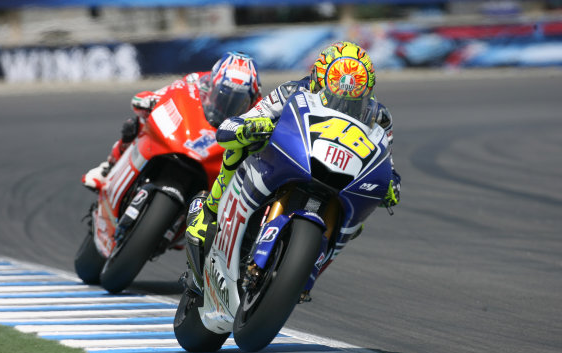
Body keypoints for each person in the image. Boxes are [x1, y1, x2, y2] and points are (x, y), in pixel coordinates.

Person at [185, 41, 401, 300]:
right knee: (240, 146)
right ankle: (210, 210)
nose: (343, 101)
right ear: (319, 79)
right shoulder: (293, 89)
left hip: (340, 171)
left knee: (358, 224)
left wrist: (391, 182)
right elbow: (253, 116)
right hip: (287, 156)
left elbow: (386, 159)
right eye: (334, 91)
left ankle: (310, 268)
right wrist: (249, 126)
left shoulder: (380, 117)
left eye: (353, 97)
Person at [82, 51, 262, 191]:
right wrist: (152, 99)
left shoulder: (260, 107)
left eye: (239, 101)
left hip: (223, 148)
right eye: (223, 96)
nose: (228, 104)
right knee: (134, 125)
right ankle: (109, 167)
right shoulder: (197, 80)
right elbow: (171, 92)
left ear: (252, 100)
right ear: (213, 84)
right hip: (192, 131)